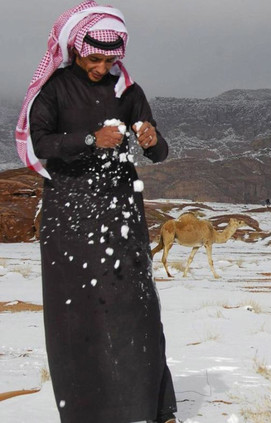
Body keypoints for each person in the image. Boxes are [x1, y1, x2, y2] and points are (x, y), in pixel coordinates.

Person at [15, 2, 178, 422]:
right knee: (78, 309)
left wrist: (150, 139)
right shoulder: (54, 90)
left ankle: (150, 408)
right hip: (69, 212)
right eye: (93, 58)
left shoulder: (129, 92)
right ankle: (89, 412)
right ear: (75, 49)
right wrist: (90, 139)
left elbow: (159, 153)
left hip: (121, 210)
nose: (101, 66)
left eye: (110, 59)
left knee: (134, 306)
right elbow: (41, 144)